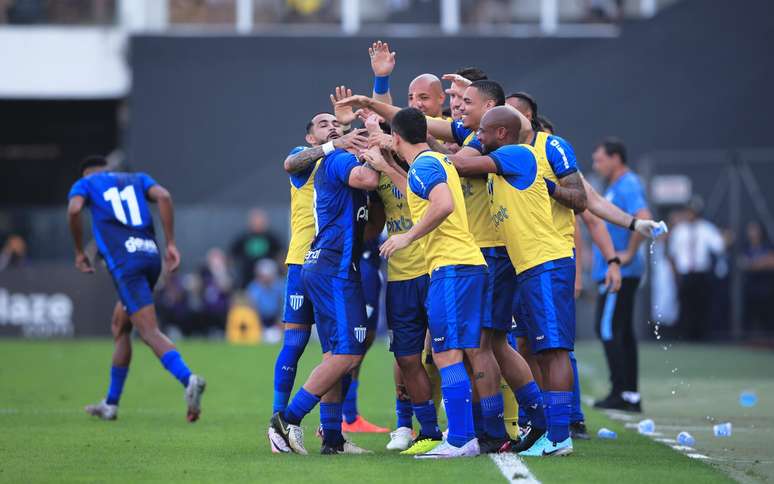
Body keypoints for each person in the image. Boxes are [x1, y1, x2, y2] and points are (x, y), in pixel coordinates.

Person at [446, 106, 578, 457]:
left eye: (484, 133)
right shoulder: (504, 162)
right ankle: (549, 429)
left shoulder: (518, 154)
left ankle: (560, 436)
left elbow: (460, 163)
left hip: (546, 262)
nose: (479, 138)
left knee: (554, 350)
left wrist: (466, 138)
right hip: (531, 267)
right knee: (543, 350)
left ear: (501, 134)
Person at [368, 107, 488, 459]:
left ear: (397, 138)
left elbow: (444, 204)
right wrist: (389, 167)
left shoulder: (424, 165)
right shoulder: (434, 162)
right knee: (454, 352)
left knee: (446, 353)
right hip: (462, 266)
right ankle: (466, 435)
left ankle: (462, 438)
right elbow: (419, 193)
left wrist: (407, 237)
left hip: (452, 267)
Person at [506, 92, 622, 440]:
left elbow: (587, 211)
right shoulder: (504, 153)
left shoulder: (551, 148)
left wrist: (611, 258)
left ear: (528, 118)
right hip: (517, 265)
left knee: (555, 348)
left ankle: (563, 427)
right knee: (527, 345)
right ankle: (541, 424)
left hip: (548, 260)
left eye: (512, 113)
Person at [269, 112, 379, 456]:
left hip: (333, 262)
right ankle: (281, 420)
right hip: (314, 261)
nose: (331, 127)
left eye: (336, 124)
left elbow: (371, 220)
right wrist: (339, 143)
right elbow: (290, 163)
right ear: (312, 137)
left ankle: (332, 436)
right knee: (304, 342)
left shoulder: (343, 160)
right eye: (323, 125)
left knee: (336, 352)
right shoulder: (319, 159)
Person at [66, 155, 206, 422]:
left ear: (87, 174)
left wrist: (77, 251)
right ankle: (111, 403)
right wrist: (172, 244)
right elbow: (164, 196)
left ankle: (189, 380)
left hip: (125, 262)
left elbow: (74, 210)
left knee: (148, 331)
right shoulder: (135, 178)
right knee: (121, 325)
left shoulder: (85, 184)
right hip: (150, 256)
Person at [363, 114, 444, 455]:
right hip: (399, 276)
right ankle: (420, 428)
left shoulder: (424, 165)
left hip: (436, 268)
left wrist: (381, 86)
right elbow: (375, 219)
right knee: (406, 357)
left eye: (385, 134)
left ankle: (467, 425)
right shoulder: (378, 172)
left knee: (449, 353)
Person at [590, 138, 653, 412]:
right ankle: (629, 394)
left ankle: (620, 391)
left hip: (620, 271)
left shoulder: (628, 183)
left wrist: (627, 253)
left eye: (600, 159)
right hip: (620, 271)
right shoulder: (616, 186)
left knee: (607, 329)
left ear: (616, 159)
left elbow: (643, 217)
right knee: (623, 331)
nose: (596, 164)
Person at [667, 197, 726, 340]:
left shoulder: (706, 228)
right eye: (689, 211)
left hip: (701, 273)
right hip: (685, 273)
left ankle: (702, 336)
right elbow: (672, 254)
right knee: (685, 306)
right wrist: (675, 274)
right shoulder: (679, 230)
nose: (691, 214)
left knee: (702, 305)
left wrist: (725, 236)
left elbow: (719, 246)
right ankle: (686, 336)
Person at [230, 208, 282, 288]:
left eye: (260, 221)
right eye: (255, 221)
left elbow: (280, 254)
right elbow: (232, 254)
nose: (258, 224)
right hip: (247, 278)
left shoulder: (271, 237)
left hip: (268, 281)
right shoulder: (243, 237)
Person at [246, 258, 285, 328]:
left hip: (277, 321)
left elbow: (283, 306)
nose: (265, 278)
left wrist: (280, 321)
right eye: (262, 276)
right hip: (258, 321)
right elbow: (251, 307)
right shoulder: (253, 287)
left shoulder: (280, 286)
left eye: (267, 275)